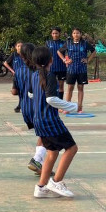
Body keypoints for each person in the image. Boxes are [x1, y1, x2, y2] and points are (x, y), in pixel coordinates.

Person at [28, 46, 80, 198]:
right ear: (51, 60)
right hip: (50, 121)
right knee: (72, 148)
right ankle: (56, 181)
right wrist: (72, 106)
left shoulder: (33, 75)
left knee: (52, 152)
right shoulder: (50, 76)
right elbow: (51, 99)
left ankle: (41, 187)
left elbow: (31, 94)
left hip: (39, 121)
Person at [11, 43, 52, 174]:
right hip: (38, 108)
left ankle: (39, 165)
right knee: (48, 135)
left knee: (43, 135)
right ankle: (36, 160)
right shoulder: (40, 72)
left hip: (25, 108)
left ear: (21, 56)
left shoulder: (19, 71)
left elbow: (13, 91)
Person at [62, 28, 96, 114]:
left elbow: (94, 51)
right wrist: (65, 60)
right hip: (71, 69)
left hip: (82, 69)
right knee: (70, 88)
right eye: (74, 33)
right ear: (72, 34)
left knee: (80, 88)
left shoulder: (85, 43)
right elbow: (59, 52)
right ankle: (67, 107)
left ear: (80, 34)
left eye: (77, 33)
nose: (76, 35)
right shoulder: (68, 43)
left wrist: (88, 60)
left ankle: (79, 108)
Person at [4, 41, 23, 113]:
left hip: (25, 76)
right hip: (16, 76)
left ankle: (20, 106)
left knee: (22, 91)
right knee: (14, 92)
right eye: (18, 46)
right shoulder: (14, 55)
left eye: (21, 46)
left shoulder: (26, 55)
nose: (20, 47)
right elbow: (5, 63)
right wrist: (12, 71)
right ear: (16, 47)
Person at [46, 27, 67, 93]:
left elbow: (69, 52)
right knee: (51, 86)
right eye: (53, 33)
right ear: (51, 34)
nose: (55, 35)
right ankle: (51, 102)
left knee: (61, 86)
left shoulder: (64, 42)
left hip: (62, 67)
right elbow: (45, 54)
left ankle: (60, 101)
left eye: (56, 33)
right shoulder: (48, 43)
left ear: (59, 34)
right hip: (51, 68)